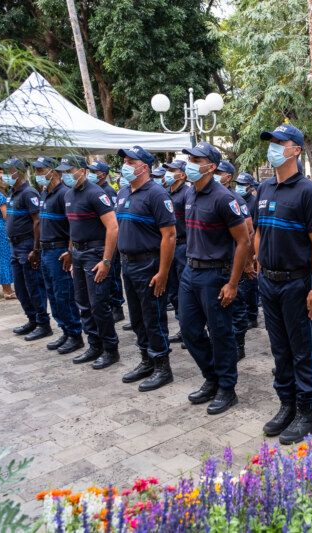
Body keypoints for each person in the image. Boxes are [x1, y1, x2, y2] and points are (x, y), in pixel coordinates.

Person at [255, 123, 312, 444]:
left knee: (303, 350)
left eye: (279, 142)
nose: (272, 147)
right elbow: (258, 232)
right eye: (270, 141)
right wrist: (259, 263)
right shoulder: (264, 188)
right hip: (269, 282)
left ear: (295, 150)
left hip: (297, 284)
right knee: (280, 348)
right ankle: (286, 405)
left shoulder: (308, 191)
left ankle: (306, 412)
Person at [178, 142, 251, 414]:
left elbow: (243, 242)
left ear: (211, 166)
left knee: (220, 333)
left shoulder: (224, 198)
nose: (191, 164)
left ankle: (227, 388)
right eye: (190, 159)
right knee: (188, 329)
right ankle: (212, 377)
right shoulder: (189, 194)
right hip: (190, 271)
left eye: (197, 160)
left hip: (215, 274)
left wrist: (233, 283)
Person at [115, 146, 176, 391]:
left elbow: (170, 236)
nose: (126, 165)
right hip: (128, 263)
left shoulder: (157, 194)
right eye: (125, 161)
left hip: (149, 263)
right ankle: (146, 360)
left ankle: (163, 366)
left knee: (153, 317)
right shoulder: (123, 193)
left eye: (131, 162)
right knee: (137, 316)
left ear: (144, 167)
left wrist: (163, 272)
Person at [60, 154, 119, 367]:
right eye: (63, 172)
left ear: (81, 171)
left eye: (68, 171)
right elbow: (72, 228)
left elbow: (112, 227)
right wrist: (70, 251)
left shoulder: (96, 194)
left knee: (99, 305)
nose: (65, 175)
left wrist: (106, 260)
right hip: (78, 253)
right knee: (83, 303)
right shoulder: (69, 195)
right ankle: (94, 345)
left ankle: (110, 349)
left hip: (95, 254)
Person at [31, 156, 83, 355]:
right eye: (35, 171)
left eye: (40, 170)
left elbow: (73, 226)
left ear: (52, 171)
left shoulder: (65, 194)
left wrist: (70, 251)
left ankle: (75, 334)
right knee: (52, 294)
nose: (37, 175)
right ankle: (65, 331)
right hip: (45, 251)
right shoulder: (44, 194)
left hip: (59, 250)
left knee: (63, 294)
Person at [0, 158, 50, 340]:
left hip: (27, 245)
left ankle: (43, 323)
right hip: (15, 245)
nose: (3, 175)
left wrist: (36, 249)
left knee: (33, 285)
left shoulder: (29, 193)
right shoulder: (12, 192)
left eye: (6, 171)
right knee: (20, 287)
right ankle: (32, 319)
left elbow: (38, 221)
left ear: (17, 172)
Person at [217, 160, 256, 360]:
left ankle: (238, 344)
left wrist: (248, 262)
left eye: (219, 172)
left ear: (228, 177)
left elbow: (248, 233)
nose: (215, 174)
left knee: (237, 303)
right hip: (215, 263)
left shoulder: (235, 200)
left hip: (233, 261)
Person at [88, 161, 125, 323]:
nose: (90, 174)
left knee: (114, 275)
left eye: (94, 171)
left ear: (102, 174)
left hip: (109, 240)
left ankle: (117, 306)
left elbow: (113, 219)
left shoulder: (108, 192)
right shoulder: (93, 190)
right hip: (98, 242)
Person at [162, 159, 188, 345]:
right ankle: (183, 327)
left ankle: (191, 329)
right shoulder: (164, 194)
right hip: (169, 247)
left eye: (173, 170)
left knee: (185, 289)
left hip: (184, 246)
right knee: (173, 291)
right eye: (168, 170)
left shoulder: (188, 193)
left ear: (182, 174)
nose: (168, 173)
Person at [235, 172, 260, 329]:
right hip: (238, 247)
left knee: (250, 283)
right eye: (238, 184)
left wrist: (255, 253)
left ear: (250, 187)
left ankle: (252, 315)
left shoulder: (254, 202)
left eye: (243, 185)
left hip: (252, 247)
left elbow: (256, 229)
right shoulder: (233, 200)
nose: (239, 187)